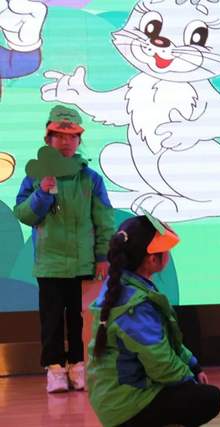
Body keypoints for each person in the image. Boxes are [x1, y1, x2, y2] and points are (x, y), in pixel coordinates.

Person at [87, 214, 220, 427]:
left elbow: (165, 343)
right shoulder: (134, 306)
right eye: (166, 250)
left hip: (117, 398)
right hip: (125, 406)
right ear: (152, 259)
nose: (168, 254)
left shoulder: (125, 286)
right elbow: (160, 363)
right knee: (209, 398)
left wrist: (193, 365)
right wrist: (189, 380)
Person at [14, 105, 114, 393]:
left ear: (79, 141)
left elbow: (104, 219)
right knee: (52, 318)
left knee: (78, 318)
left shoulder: (91, 179)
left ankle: (78, 365)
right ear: (48, 139)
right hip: (49, 263)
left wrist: (103, 256)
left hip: (83, 262)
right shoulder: (35, 177)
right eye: (59, 136)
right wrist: (42, 193)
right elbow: (23, 214)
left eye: (72, 137)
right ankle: (55, 368)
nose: (66, 142)